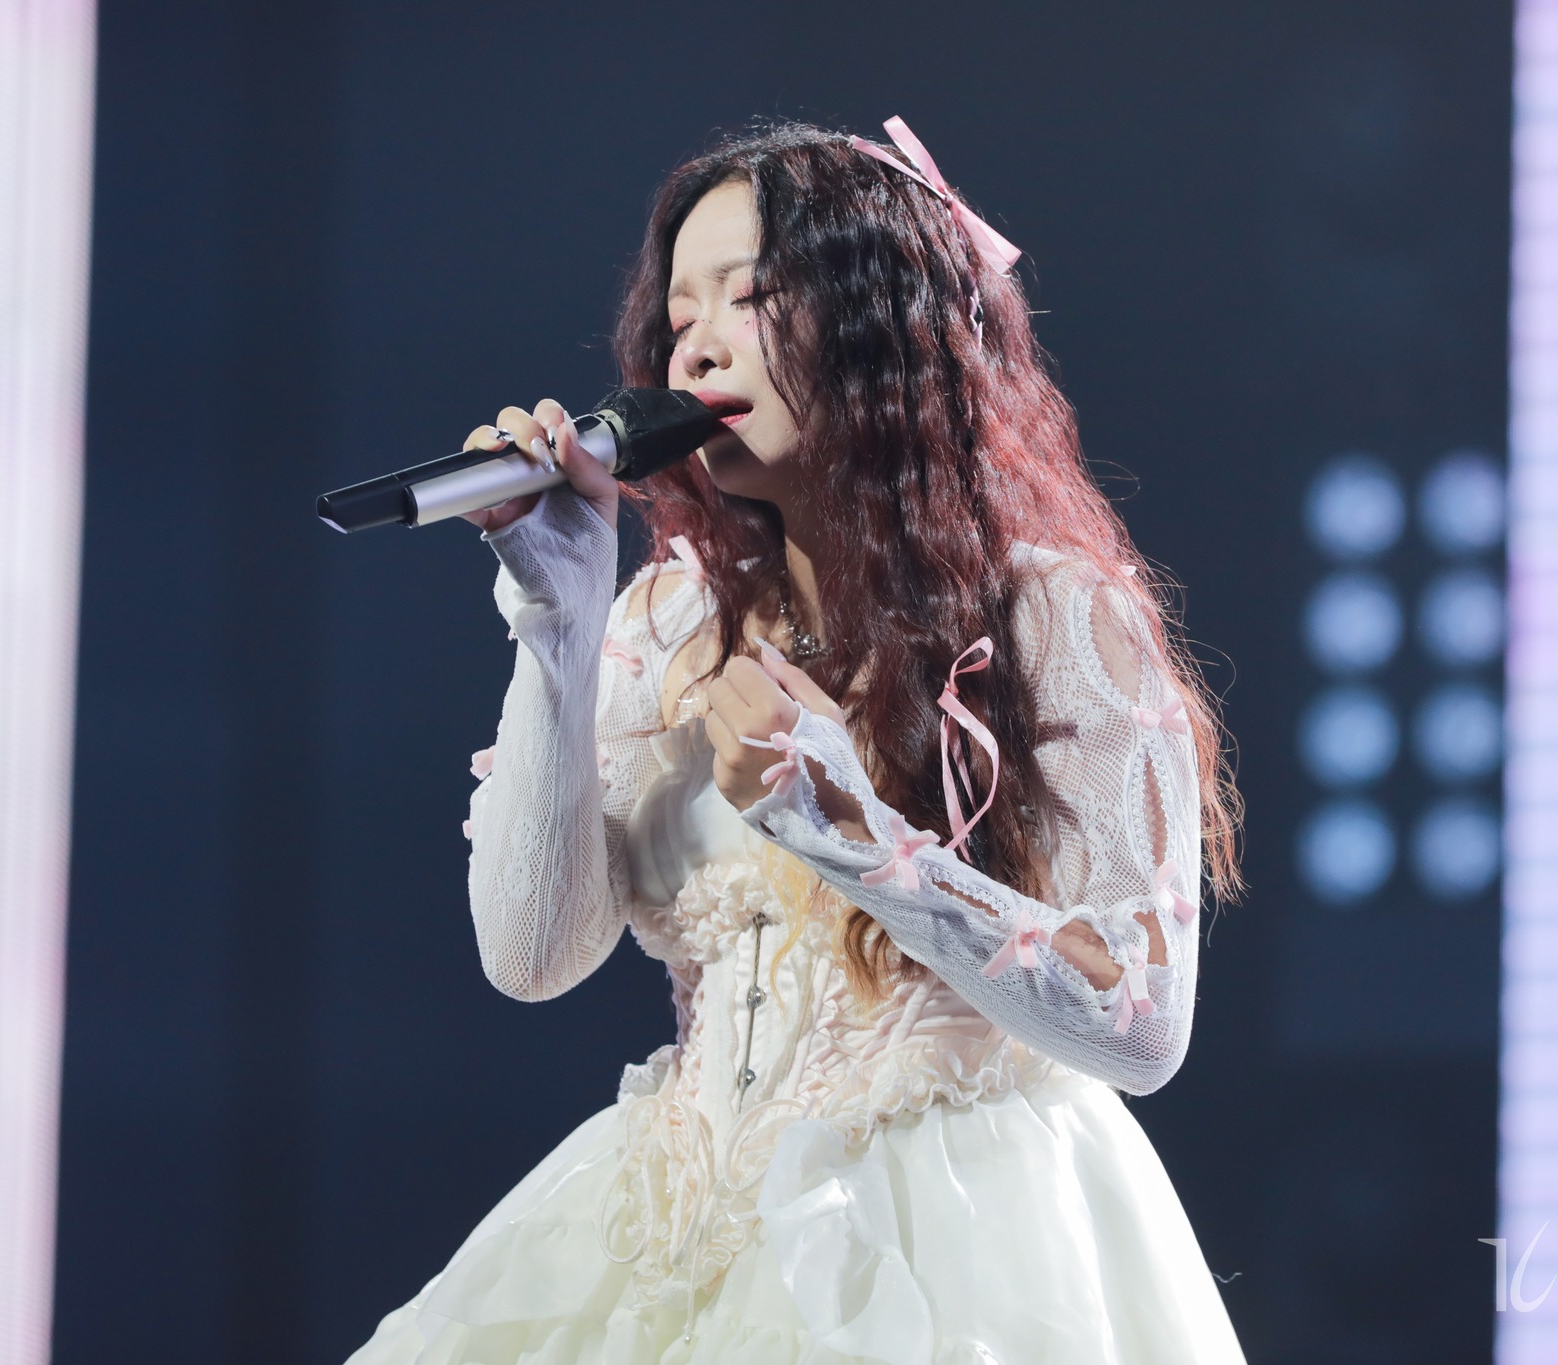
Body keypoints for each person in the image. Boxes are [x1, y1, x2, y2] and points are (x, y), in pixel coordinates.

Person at [349, 118, 1247, 1365]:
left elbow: (1140, 1029)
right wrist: (557, 621)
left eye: (748, 297)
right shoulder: (666, 622)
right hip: (675, 1236)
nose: (697, 344)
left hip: (949, 1249)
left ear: (883, 327)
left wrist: (854, 837)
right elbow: (530, 955)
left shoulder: (1049, 616)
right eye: (680, 315)